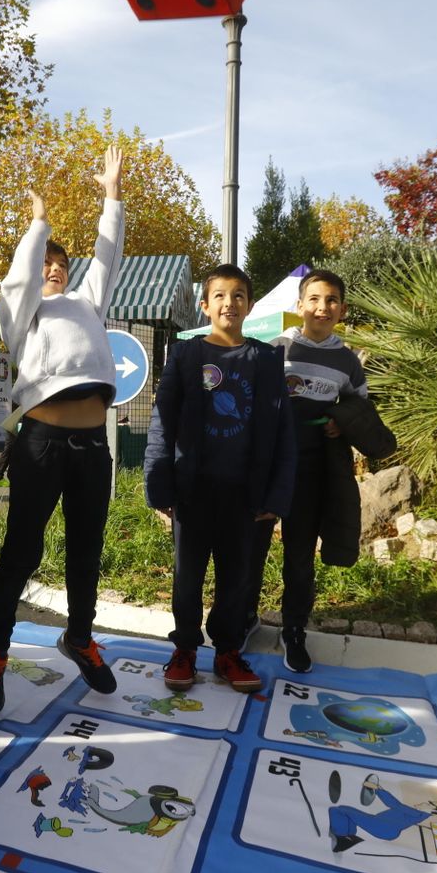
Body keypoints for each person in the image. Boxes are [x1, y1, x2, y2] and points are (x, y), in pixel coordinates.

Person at [0, 145, 127, 714]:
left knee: (87, 550)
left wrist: (111, 195)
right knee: (21, 551)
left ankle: (80, 637)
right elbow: (17, 282)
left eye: (60, 263)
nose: (54, 268)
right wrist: (38, 224)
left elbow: (107, 257)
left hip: (92, 446)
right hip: (41, 444)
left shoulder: (88, 303)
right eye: (45, 263)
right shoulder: (23, 317)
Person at [144, 264, 294, 695]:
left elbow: (283, 432)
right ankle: (185, 649)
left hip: (245, 495)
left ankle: (228, 651)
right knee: (187, 578)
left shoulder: (266, 360)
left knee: (237, 579)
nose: (230, 302)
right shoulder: (186, 356)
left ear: (250, 304)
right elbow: (162, 423)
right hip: (193, 492)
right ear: (205, 305)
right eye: (221, 295)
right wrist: (159, 487)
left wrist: (276, 496)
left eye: (239, 295)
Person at [244, 270, 366, 674]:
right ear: (299, 306)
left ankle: (294, 629)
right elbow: (251, 399)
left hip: (314, 470)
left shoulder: (348, 360)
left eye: (331, 300)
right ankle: (245, 618)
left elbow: (360, 406)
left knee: (299, 556)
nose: (322, 307)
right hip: (268, 467)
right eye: (314, 299)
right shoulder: (276, 349)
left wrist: (340, 422)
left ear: (342, 309)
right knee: (252, 549)